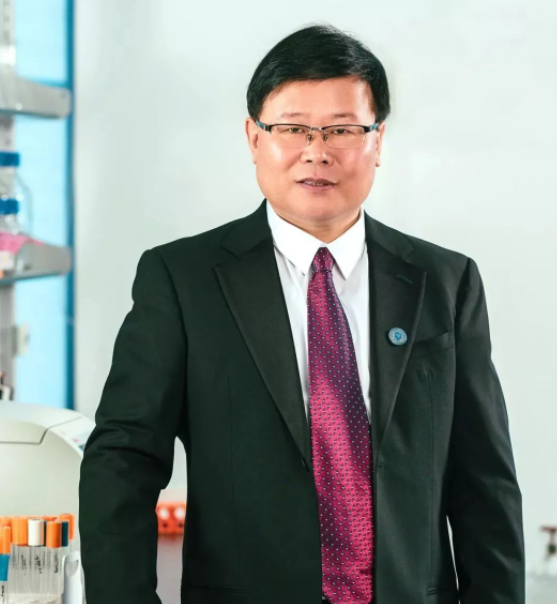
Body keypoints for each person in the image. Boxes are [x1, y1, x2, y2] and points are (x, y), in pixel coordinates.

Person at [79, 22, 525, 604]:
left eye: (343, 129)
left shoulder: (446, 281)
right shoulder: (183, 280)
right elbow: (123, 460)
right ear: (254, 138)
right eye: (292, 128)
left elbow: (485, 479)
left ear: (378, 141)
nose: (317, 151)